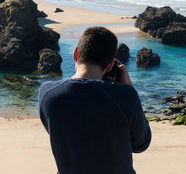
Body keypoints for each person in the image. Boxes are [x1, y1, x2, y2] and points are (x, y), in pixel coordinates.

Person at [38, 27, 151, 174]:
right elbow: (141, 143)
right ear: (110, 65)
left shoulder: (47, 93)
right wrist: (127, 88)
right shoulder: (125, 96)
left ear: (76, 54)